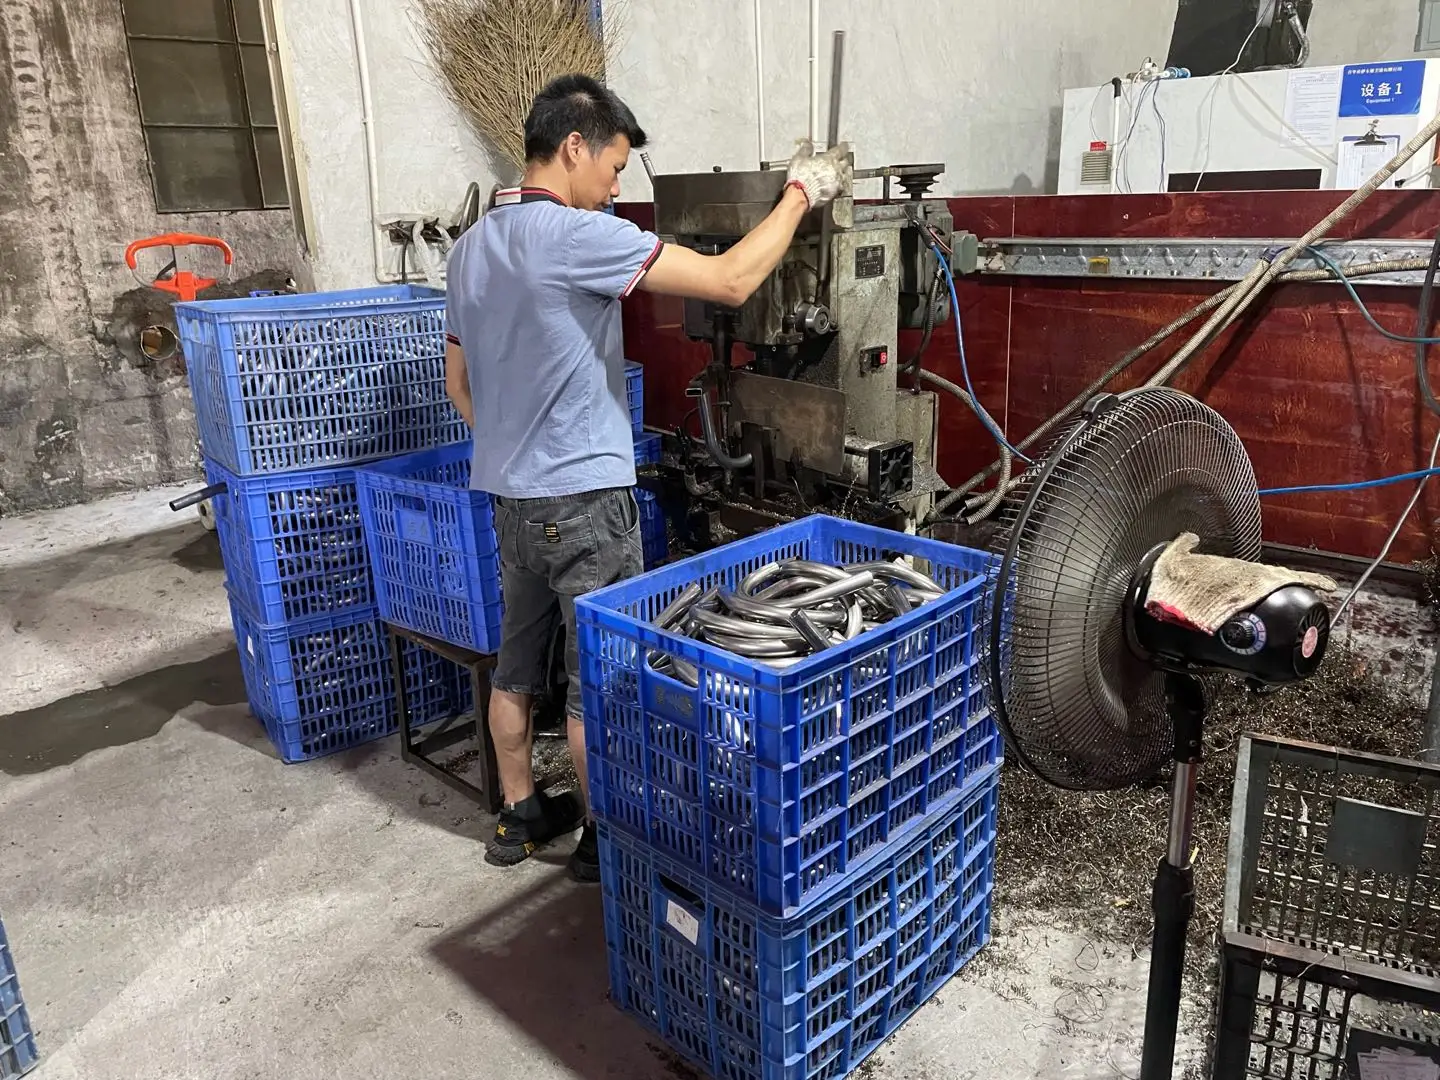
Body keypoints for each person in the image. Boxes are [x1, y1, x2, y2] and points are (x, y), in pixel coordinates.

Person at [444, 73, 850, 882]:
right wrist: (802, 193)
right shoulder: (576, 235)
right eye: (614, 167)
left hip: (510, 499)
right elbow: (731, 281)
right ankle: (605, 837)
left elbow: (458, 381)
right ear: (574, 146)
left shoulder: (471, 247)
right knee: (598, 682)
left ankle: (520, 815)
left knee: (516, 667)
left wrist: (518, 447)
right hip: (586, 504)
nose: (615, 187)